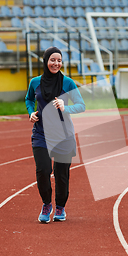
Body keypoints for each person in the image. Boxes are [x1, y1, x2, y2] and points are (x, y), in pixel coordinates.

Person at [25, 46, 85, 223]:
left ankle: (60, 206)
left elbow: (81, 105)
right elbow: (29, 99)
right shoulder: (35, 82)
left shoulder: (68, 83)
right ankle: (46, 204)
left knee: (61, 174)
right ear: (46, 61)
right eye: (53, 60)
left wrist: (66, 107)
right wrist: (31, 112)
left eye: (59, 60)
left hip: (63, 135)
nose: (56, 63)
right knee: (43, 170)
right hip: (41, 133)